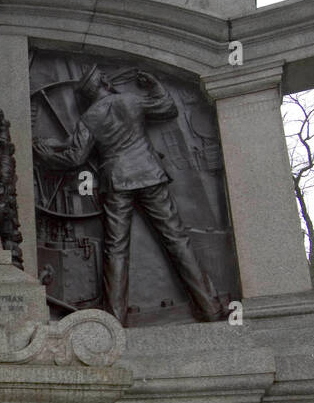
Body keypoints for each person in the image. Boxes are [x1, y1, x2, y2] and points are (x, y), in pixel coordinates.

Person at [33, 66, 222, 326]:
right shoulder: (130, 101)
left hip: (117, 182)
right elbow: (168, 107)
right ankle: (209, 307)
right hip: (150, 175)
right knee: (177, 240)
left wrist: (44, 155)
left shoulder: (90, 117)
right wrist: (155, 84)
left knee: (116, 250)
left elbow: (74, 157)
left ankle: (114, 319)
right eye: (104, 78)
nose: (108, 79)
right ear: (102, 83)